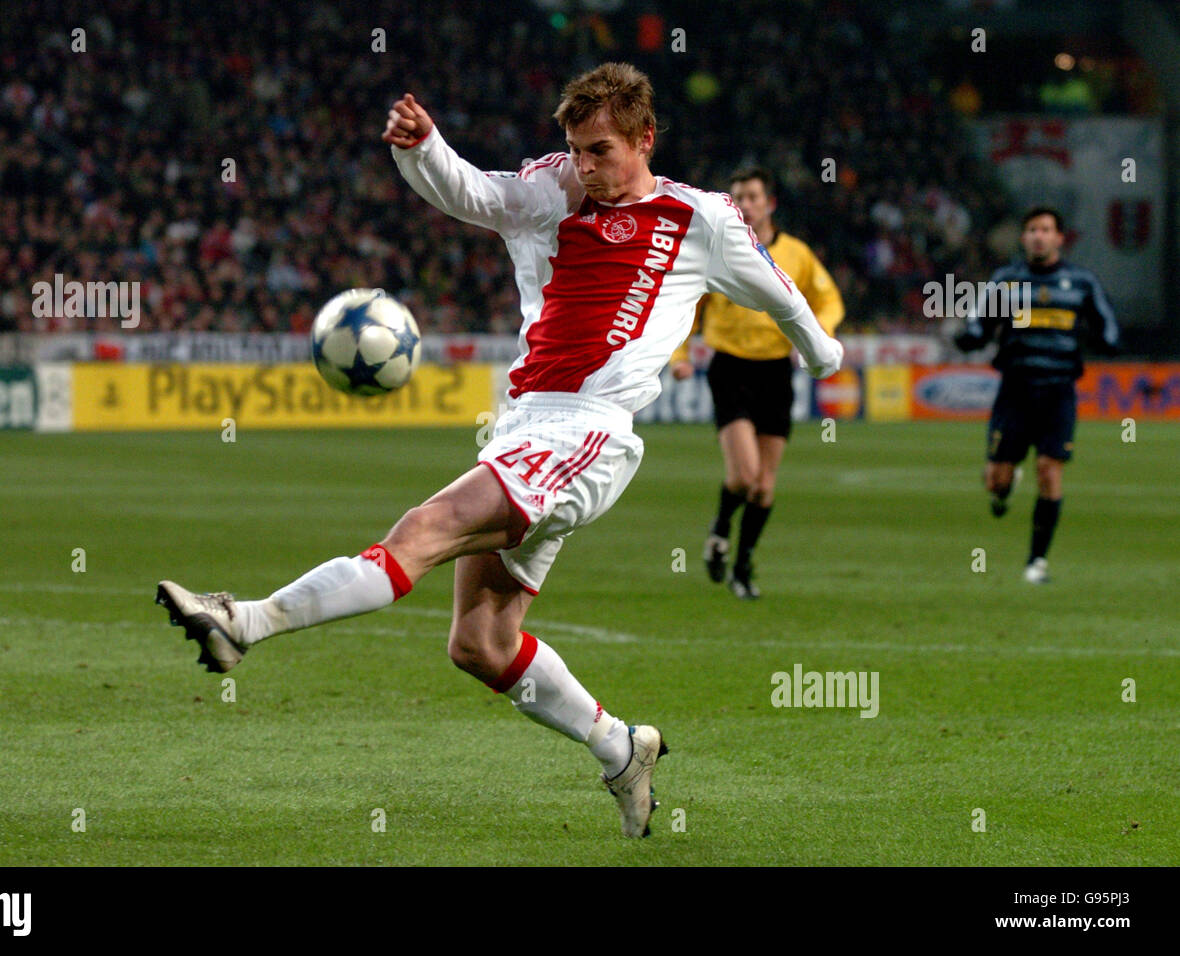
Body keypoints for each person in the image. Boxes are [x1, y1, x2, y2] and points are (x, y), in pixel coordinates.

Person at [156, 63, 842, 837]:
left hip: (589, 432)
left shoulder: (699, 218)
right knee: (480, 643)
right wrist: (424, 148)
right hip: (525, 427)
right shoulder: (553, 192)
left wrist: (823, 355)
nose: (587, 167)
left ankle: (242, 622)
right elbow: (474, 194)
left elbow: (779, 289)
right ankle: (621, 748)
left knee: (421, 531)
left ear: (646, 139)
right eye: (577, 149)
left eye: (602, 151)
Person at [670, 167, 844, 598]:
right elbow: (688, 306)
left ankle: (742, 564)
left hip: (775, 373)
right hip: (730, 368)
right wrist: (679, 354)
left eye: (751, 196)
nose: (744, 204)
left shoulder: (797, 254)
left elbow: (829, 301)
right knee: (745, 476)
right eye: (737, 197)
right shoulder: (716, 252)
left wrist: (813, 340)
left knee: (765, 485)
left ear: (770, 203)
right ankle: (721, 528)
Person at [955, 206, 1119, 583]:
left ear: (1060, 237)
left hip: (1058, 393)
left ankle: (1036, 562)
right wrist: (972, 337)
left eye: (1046, 229)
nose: (1038, 236)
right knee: (996, 477)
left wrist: (1108, 341)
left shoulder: (1081, 282)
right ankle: (1002, 488)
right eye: (1032, 229)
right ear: (1024, 237)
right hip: (1014, 392)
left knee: (1049, 471)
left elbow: (1106, 322)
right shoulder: (1005, 281)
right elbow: (979, 322)